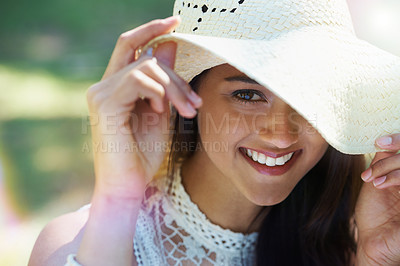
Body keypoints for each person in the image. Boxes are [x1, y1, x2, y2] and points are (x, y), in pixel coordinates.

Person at [29, 0, 400, 265]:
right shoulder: (74, 247)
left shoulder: (354, 242)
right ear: (189, 91)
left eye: (311, 97)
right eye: (248, 95)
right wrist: (119, 199)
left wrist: (375, 259)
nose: (282, 134)